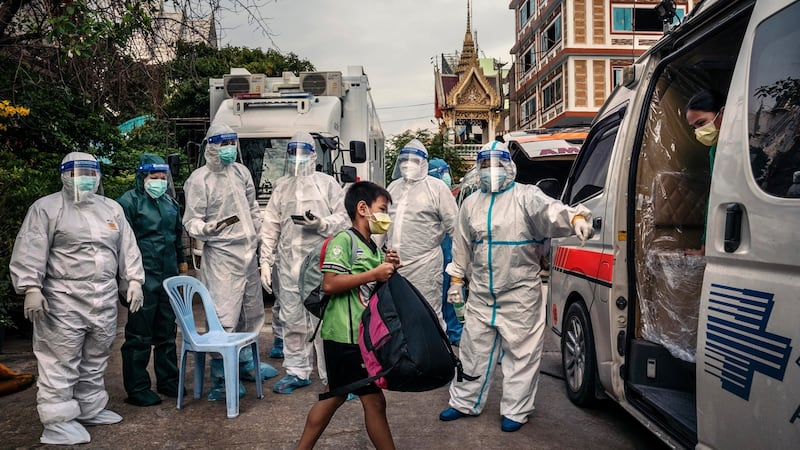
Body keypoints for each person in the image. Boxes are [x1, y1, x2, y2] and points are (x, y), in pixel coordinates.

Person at [438, 141, 593, 432]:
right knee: (472, 351)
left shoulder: (526, 196)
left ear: (509, 167)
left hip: (520, 293)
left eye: (497, 164)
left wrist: (576, 218)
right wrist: (456, 279)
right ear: (478, 168)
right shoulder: (471, 204)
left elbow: (552, 211)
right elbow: (461, 246)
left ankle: (516, 410)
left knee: (521, 355)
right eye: (485, 165)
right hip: (482, 293)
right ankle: (463, 402)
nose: (491, 171)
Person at [9, 152, 145, 445]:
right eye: (79, 172)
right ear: (64, 174)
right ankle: (57, 422)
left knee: (96, 356)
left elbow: (127, 247)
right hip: (63, 299)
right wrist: (31, 287)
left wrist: (133, 280)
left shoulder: (110, 208)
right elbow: (31, 247)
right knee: (61, 358)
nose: (86, 177)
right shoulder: (47, 208)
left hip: (103, 297)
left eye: (91, 171)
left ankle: (89, 408)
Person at [297, 181, 399, 450]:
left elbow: (370, 290)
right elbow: (330, 283)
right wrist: (374, 273)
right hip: (344, 335)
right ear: (363, 208)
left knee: (339, 397)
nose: (385, 216)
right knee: (369, 400)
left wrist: (388, 267)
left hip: (360, 336)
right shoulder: (345, 241)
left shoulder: (372, 247)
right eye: (382, 209)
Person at [183, 123, 278, 401]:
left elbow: (251, 209)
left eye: (231, 143)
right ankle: (222, 377)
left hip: (247, 253)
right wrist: (206, 230)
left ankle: (247, 363)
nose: (228, 149)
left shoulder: (241, 171)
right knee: (224, 316)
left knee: (251, 312)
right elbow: (191, 220)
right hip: (222, 256)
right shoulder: (199, 180)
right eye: (222, 144)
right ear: (210, 146)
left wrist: (260, 237)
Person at [260, 130, 350, 394]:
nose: (298, 158)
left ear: (314, 155)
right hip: (289, 266)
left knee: (326, 322)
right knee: (293, 320)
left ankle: (335, 376)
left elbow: (344, 219)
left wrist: (321, 223)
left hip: (321, 265)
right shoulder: (282, 186)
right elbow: (271, 225)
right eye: (293, 153)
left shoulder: (327, 185)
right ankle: (297, 371)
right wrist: (266, 260)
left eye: (303, 153)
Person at [116, 154, 189, 406]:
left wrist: (182, 264)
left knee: (167, 331)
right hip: (142, 277)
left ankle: (169, 381)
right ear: (142, 177)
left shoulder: (170, 204)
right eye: (152, 178)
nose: (158, 182)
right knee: (139, 335)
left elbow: (176, 236)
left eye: (161, 178)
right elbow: (121, 243)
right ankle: (137, 388)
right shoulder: (129, 203)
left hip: (167, 276)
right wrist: (126, 280)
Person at [382, 140, 457, 332]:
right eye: (404, 160)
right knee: (397, 316)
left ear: (423, 163)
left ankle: (435, 359)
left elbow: (455, 228)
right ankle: (406, 360)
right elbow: (383, 225)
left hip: (425, 266)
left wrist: (460, 268)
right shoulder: (393, 188)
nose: (408, 164)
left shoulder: (436, 188)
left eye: (414, 160)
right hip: (394, 265)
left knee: (428, 313)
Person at [684, 88, 725, 256]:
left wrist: (705, 245)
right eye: (694, 127)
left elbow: (717, 197)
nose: (698, 132)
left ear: (722, 113)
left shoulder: (725, 148)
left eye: (701, 123)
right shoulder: (715, 149)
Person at [427, 157, 463, 344]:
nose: (447, 177)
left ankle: (455, 333)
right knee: (437, 295)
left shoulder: (449, 196)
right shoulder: (429, 197)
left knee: (455, 294)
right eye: (443, 173)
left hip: (451, 254)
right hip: (436, 255)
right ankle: (442, 334)